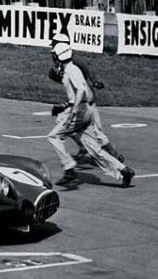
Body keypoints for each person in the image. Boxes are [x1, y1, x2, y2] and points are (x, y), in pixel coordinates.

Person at [47, 42, 134, 189]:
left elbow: (81, 91)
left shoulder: (71, 71)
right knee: (92, 147)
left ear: (59, 57)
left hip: (81, 111)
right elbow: (75, 94)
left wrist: (72, 112)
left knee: (53, 136)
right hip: (85, 111)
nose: (53, 59)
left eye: (55, 56)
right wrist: (64, 107)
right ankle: (123, 170)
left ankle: (69, 170)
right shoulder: (71, 69)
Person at [49, 33, 124, 164]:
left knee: (97, 133)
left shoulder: (75, 59)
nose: (53, 47)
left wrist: (94, 81)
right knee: (66, 123)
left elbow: (86, 70)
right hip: (79, 100)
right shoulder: (62, 60)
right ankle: (84, 147)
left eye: (54, 43)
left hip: (86, 100)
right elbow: (70, 82)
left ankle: (115, 156)